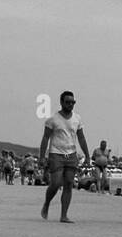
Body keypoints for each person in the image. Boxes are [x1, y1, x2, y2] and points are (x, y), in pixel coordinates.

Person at [39, 91, 90, 222]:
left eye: (73, 102)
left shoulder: (77, 118)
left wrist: (87, 156)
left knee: (68, 183)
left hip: (71, 154)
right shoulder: (53, 119)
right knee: (55, 183)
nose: (70, 105)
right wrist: (42, 157)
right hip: (56, 153)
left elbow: (81, 138)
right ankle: (47, 203)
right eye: (67, 102)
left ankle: (64, 215)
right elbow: (45, 138)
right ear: (61, 102)